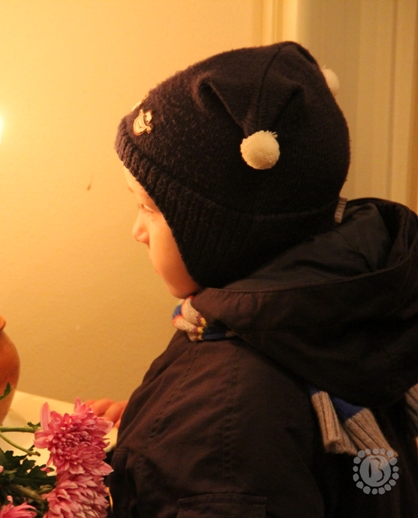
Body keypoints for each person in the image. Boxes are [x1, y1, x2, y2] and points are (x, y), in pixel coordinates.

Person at [93, 41, 418, 517]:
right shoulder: (336, 314)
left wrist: (190, 432)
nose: (136, 232)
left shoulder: (223, 428)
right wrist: (155, 425)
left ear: (224, 234)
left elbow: (231, 453)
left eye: (149, 207)